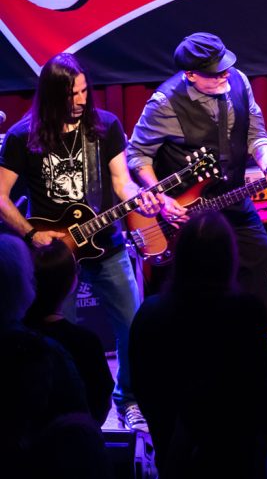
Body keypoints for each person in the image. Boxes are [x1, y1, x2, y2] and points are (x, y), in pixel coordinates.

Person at [0, 53, 160, 432]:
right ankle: (65, 407)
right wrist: (31, 233)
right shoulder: (23, 136)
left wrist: (140, 197)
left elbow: (121, 182)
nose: (81, 100)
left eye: (85, 91)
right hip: (52, 255)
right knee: (59, 335)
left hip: (106, 244)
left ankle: (129, 399)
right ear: (51, 94)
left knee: (132, 324)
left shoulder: (105, 126)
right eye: (72, 94)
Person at [127, 32, 267, 315]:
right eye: (215, 73)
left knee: (260, 254)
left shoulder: (239, 81)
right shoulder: (164, 102)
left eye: (225, 67)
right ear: (190, 74)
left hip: (232, 196)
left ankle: (248, 330)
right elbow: (138, 154)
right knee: (194, 281)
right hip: (186, 209)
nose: (225, 75)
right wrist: (162, 197)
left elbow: (256, 134)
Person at [129, 211, 267, 477]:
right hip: (234, 449)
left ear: (181, 256)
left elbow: (143, 384)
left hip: (171, 446)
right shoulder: (248, 311)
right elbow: (258, 382)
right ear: (229, 257)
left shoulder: (151, 312)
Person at [24, 242, 114, 424]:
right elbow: (100, 402)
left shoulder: (15, 335)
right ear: (73, 282)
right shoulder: (86, 342)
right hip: (76, 435)